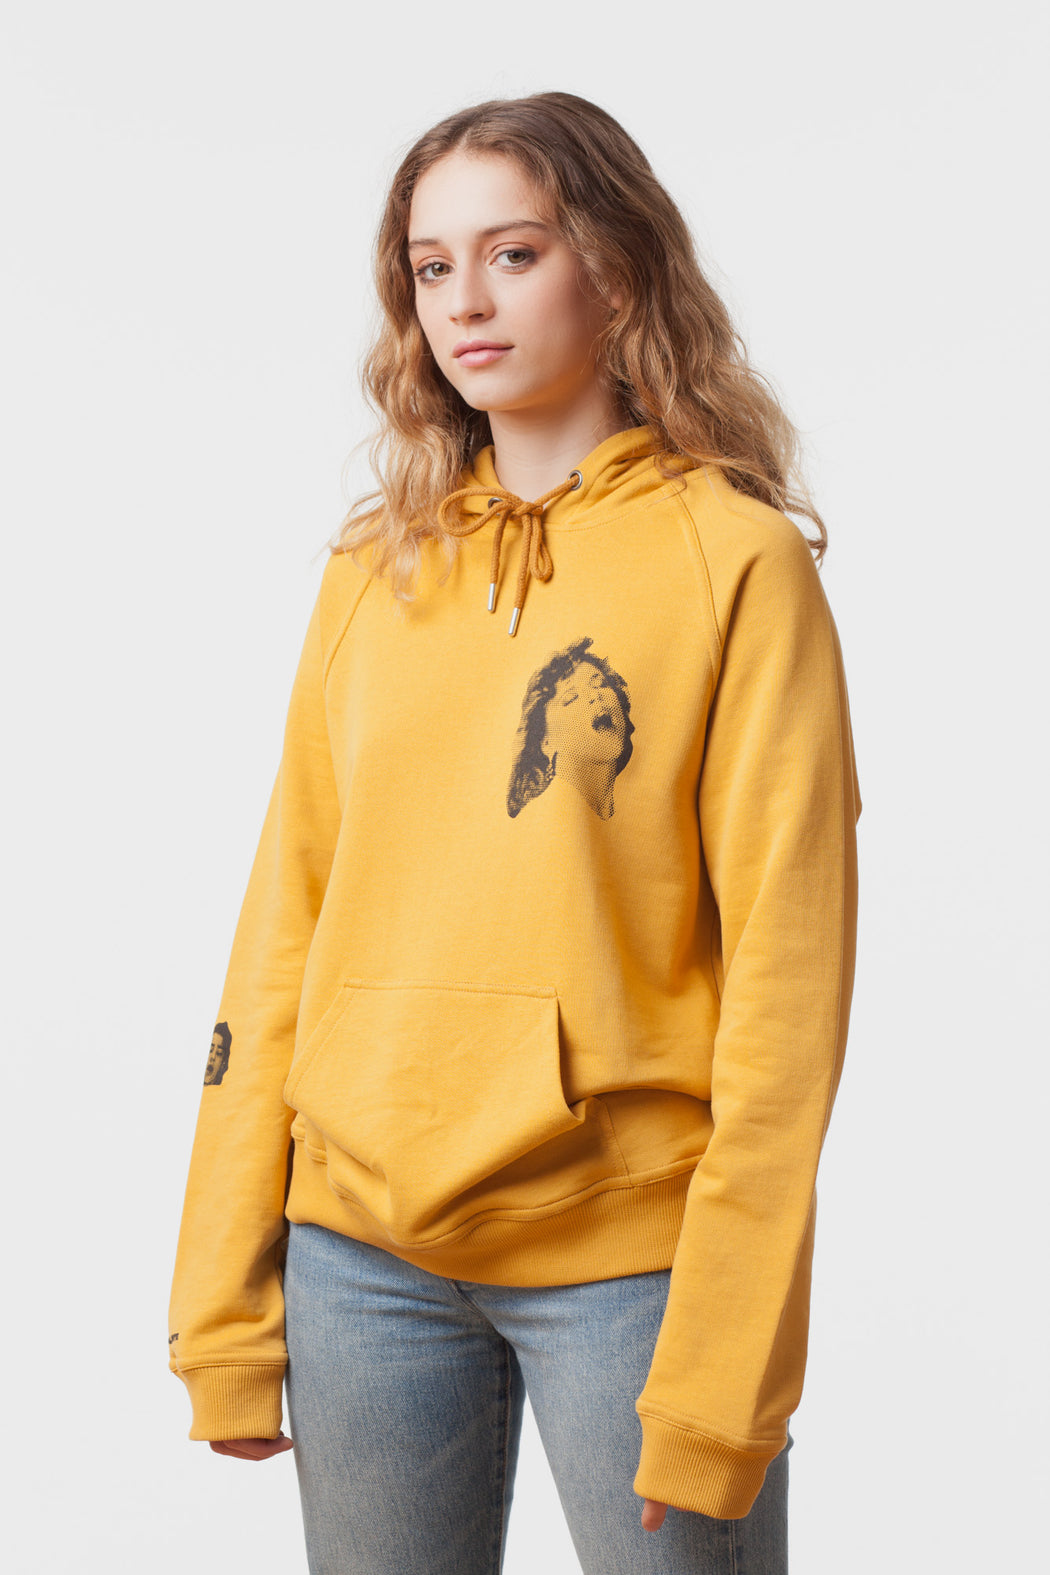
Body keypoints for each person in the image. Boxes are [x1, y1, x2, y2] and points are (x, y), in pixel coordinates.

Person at [169, 90, 861, 1575]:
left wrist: (726, 1368)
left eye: (514, 253)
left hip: (631, 1267)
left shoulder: (734, 562)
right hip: (359, 1260)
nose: (464, 304)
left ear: (615, 269)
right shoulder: (374, 570)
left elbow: (789, 991)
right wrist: (223, 1304)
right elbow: (285, 921)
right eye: (432, 267)